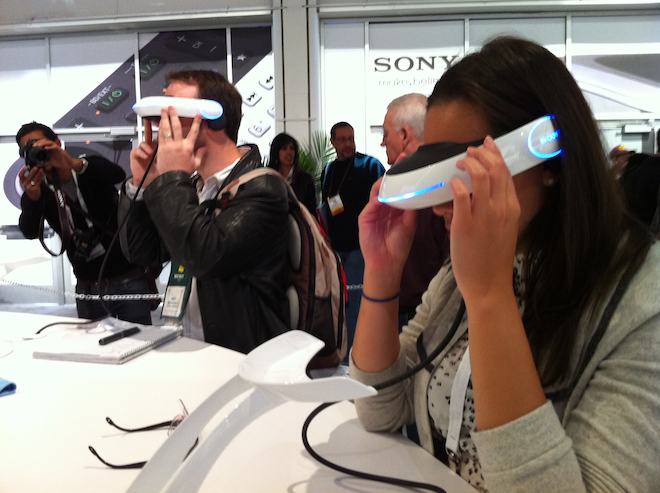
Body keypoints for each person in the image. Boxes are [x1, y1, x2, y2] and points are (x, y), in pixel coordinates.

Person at [350, 37, 659, 492]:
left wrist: (490, 298)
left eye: (465, 173)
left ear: (546, 154)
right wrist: (382, 272)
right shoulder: (461, 276)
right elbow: (379, 409)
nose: (442, 202)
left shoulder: (641, 300)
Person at [118, 70, 290, 353]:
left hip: (241, 356)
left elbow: (204, 256)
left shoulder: (262, 188)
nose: (162, 125)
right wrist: (141, 186)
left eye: (173, 114)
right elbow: (142, 253)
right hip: (194, 346)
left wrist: (171, 178)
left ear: (214, 120)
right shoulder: (193, 187)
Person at [17, 122, 155, 324]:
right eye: (26, 149)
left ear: (57, 143)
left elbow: (116, 174)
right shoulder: (38, 190)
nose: (34, 151)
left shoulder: (86, 166)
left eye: (38, 144)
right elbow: (29, 231)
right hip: (87, 286)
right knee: (93, 343)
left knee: (141, 339)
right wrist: (33, 198)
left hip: (128, 278)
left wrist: (72, 163)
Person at [381, 93, 449, 328]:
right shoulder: (444, 178)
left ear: (404, 135)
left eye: (385, 134)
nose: (382, 143)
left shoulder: (410, 186)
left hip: (423, 318)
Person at [320, 121, 385, 352]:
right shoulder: (328, 171)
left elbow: (384, 205)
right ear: (333, 142)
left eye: (351, 138)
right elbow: (328, 207)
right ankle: (343, 353)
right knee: (340, 306)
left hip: (361, 250)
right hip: (336, 250)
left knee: (358, 306)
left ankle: (358, 355)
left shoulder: (370, 166)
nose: (348, 144)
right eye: (342, 139)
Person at [267, 132, 317, 216]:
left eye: (292, 148)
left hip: (299, 222)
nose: (289, 152)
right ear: (276, 152)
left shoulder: (306, 179)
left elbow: (311, 211)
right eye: (284, 148)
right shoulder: (268, 177)